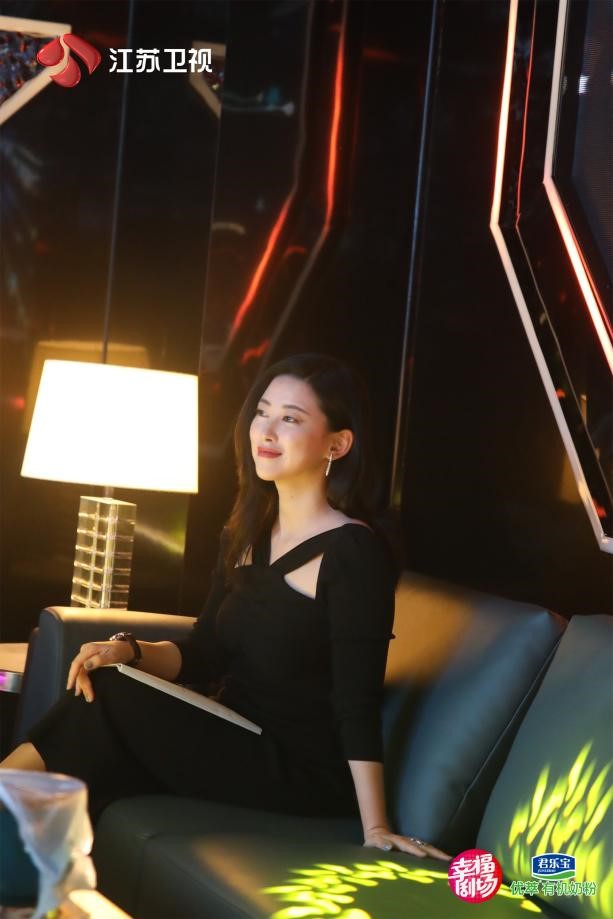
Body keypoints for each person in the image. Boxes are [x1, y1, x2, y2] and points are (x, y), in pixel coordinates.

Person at [2, 353, 448, 861]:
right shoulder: (246, 531)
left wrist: (376, 825)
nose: (267, 431)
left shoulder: (353, 552)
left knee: (108, 698)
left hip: (300, 768)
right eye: (262, 412)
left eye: (291, 418)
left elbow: (357, 700)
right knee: (102, 699)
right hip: (234, 733)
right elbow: (206, 650)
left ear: (337, 444)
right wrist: (129, 651)